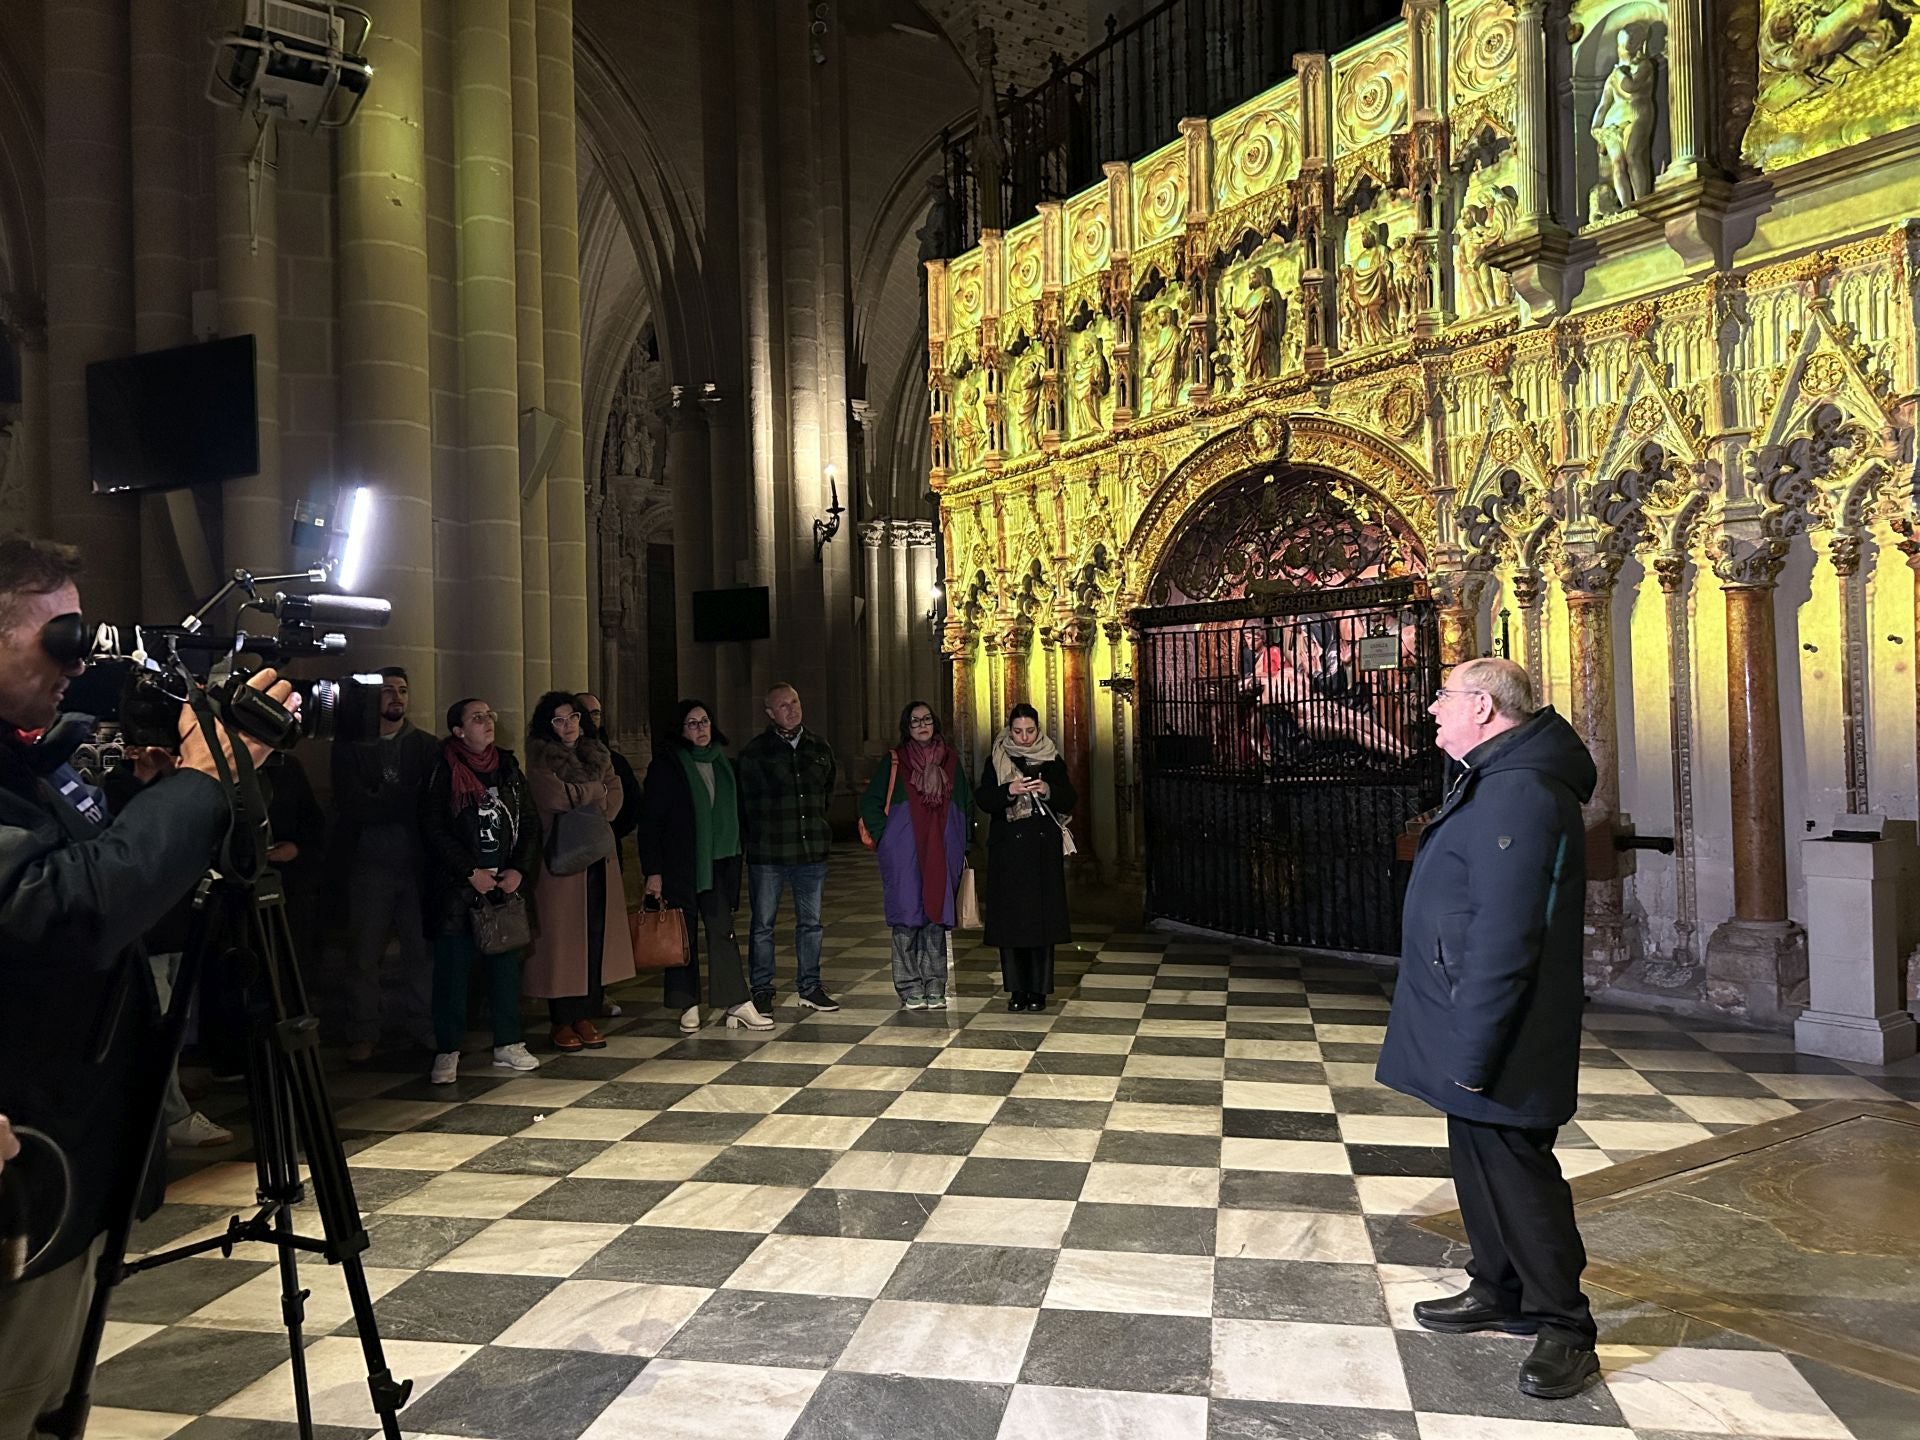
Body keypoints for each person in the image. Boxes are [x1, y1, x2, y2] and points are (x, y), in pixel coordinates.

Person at [0, 535, 295, 1438]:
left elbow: (104, 891)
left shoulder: (31, 754)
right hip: (28, 1146)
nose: (78, 660)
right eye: (58, 636)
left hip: (69, 1132)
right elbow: (60, 914)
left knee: (53, 1393)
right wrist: (201, 789)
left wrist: (149, 802)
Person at [1376, 657, 1600, 1401]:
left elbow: (1508, 936)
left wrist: (1474, 1048)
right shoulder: (1496, 776)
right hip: (1467, 1011)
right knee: (1476, 1156)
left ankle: (1565, 1324)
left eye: (1442, 697)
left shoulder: (1521, 791)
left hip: (1503, 1023)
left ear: (1481, 705)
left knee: (1516, 1167)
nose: (1432, 710)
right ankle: (1497, 1285)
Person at [420, 698, 542, 1084]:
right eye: (477, 718)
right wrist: (469, 871)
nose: (487, 722)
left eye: (489, 715)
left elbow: (530, 824)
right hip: (458, 889)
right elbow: (433, 828)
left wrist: (519, 871)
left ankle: (508, 1043)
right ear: (458, 731)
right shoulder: (443, 769)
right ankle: (448, 1050)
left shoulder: (507, 767)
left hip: (503, 884)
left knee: (505, 969)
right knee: (453, 973)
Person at [638, 700, 767, 1034]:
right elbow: (651, 822)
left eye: (705, 721)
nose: (700, 728)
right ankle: (687, 1003)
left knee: (722, 931)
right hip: (680, 864)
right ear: (681, 730)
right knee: (683, 934)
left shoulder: (725, 764)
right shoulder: (667, 766)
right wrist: (653, 871)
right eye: (692, 723)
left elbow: (737, 814)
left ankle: (737, 1002)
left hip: (720, 863)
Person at [331, 666, 438, 1062]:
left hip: (416, 863)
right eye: (389, 690)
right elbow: (354, 806)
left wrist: (386, 796)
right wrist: (396, 799)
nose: (397, 697)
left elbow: (426, 804)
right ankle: (363, 1029)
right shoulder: (351, 745)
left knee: (420, 951)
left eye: (403, 690)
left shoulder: (427, 747)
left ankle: (423, 1024)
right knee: (363, 952)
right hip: (368, 862)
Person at [523, 691, 635, 1051]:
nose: (568, 725)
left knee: (595, 936)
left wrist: (585, 792)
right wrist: (594, 790)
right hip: (562, 863)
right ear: (548, 725)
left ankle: (586, 1014)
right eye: (559, 720)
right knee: (563, 943)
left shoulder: (597, 753)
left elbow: (614, 801)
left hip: (599, 859)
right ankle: (562, 1020)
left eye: (572, 717)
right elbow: (553, 796)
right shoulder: (541, 757)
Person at [862, 701, 972, 1010]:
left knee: (936, 916)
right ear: (906, 728)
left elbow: (964, 803)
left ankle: (935, 984)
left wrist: (963, 843)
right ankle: (909, 986)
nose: (922, 725)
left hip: (941, 848)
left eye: (926, 719)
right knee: (907, 918)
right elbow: (870, 802)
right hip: (905, 850)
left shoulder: (950, 761)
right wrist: (887, 838)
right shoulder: (896, 761)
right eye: (915, 721)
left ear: (935, 723)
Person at [740, 683, 839, 1014]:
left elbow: (827, 794)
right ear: (770, 713)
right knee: (763, 924)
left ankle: (810, 986)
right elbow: (746, 804)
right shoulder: (755, 752)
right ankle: (762, 989)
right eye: (783, 705)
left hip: (810, 851)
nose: (792, 709)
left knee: (810, 923)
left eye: (794, 701)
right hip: (769, 853)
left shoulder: (819, 747)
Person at [975, 703, 1075, 1013]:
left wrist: (1046, 789)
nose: (1024, 737)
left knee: (1041, 923)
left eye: (1029, 731)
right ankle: (1017, 990)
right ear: (1009, 730)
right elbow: (984, 798)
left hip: (1042, 850)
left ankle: (1039, 991)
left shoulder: (1052, 758)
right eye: (1018, 731)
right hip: (1009, 851)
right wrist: (1009, 790)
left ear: (1038, 729)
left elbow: (1070, 798)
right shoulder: (997, 758)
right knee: (1012, 924)